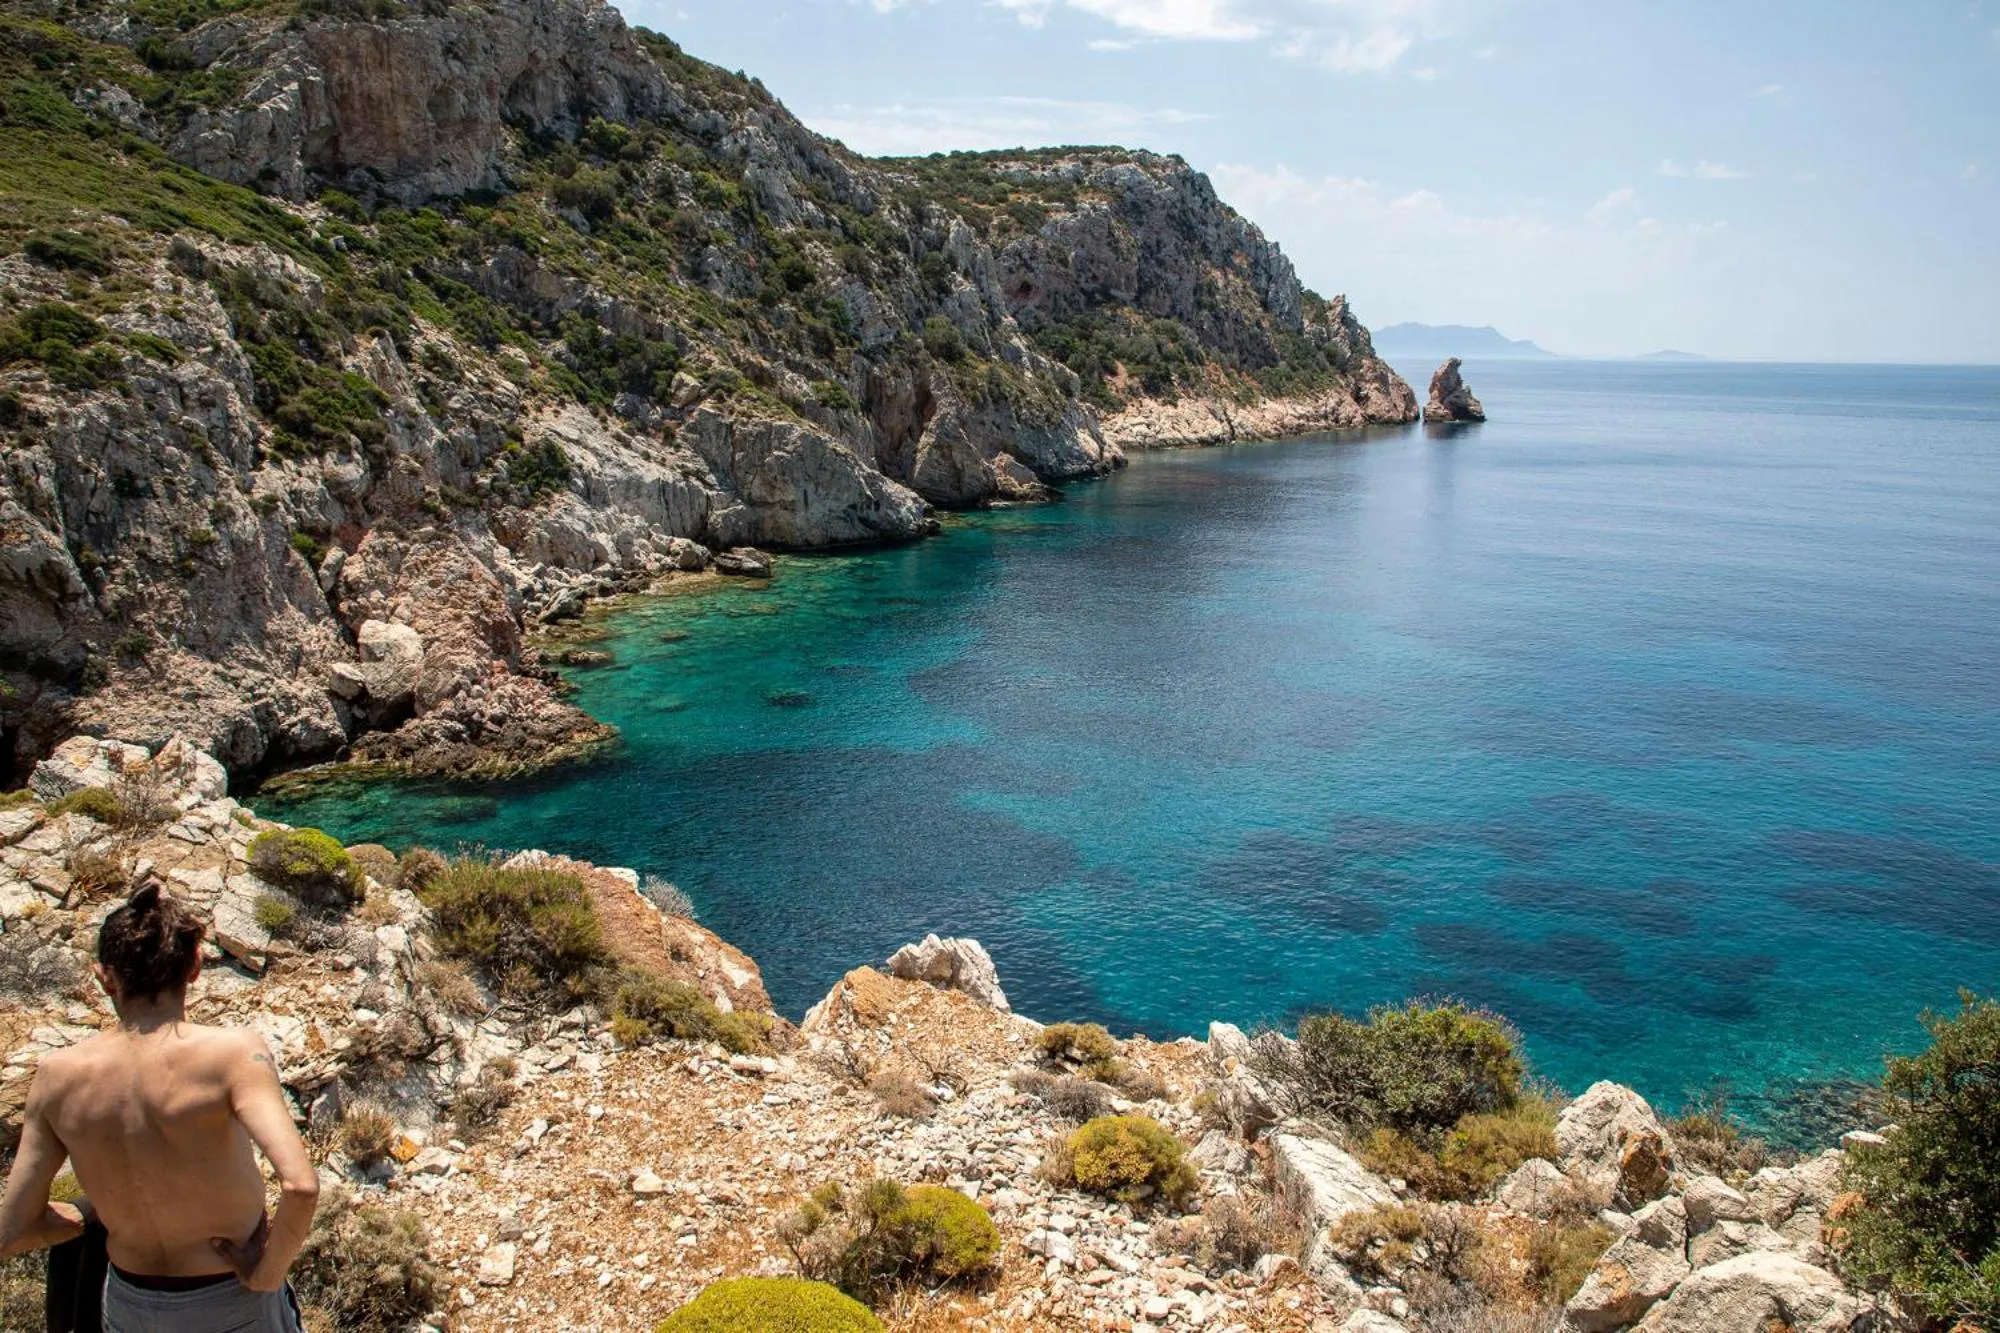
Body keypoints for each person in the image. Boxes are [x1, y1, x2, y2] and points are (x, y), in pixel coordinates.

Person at [0, 881, 320, 1330]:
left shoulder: (57, 1075)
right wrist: (268, 1274)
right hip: (231, 1301)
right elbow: (301, 1186)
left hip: (131, 1304)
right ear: (194, 967)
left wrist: (88, 1216)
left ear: (103, 976)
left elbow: (13, 1231)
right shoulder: (231, 1055)